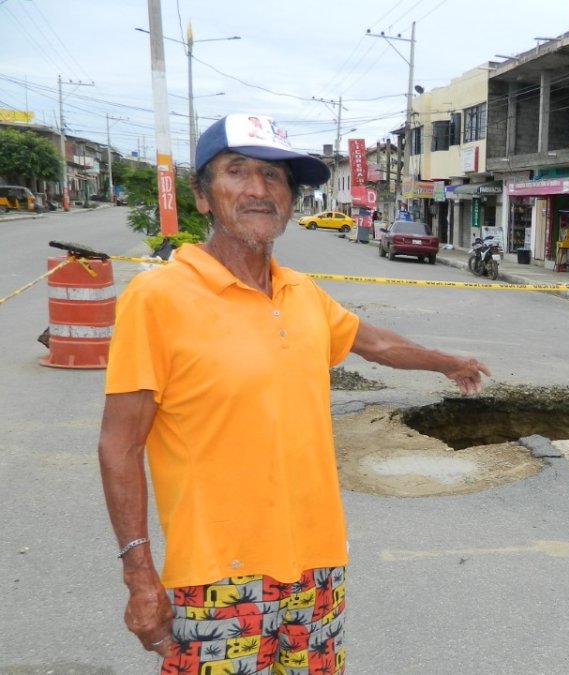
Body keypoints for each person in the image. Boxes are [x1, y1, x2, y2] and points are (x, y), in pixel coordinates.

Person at [97, 113, 490, 674]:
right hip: (219, 579)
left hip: (317, 567)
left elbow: (372, 341)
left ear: (289, 198)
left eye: (274, 177)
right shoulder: (158, 298)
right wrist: (138, 575)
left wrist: (448, 362)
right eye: (238, 172)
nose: (259, 189)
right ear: (203, 196)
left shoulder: (301, 294)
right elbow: (119, 445)